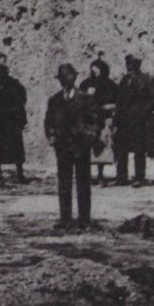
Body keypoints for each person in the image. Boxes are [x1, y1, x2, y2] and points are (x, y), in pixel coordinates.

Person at [45, 62, 101, 229]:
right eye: (62, 78)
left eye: (68, 77)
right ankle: (65, 219)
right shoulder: (54, 100)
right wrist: (52, 136)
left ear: (75, 78)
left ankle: (84, 219)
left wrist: (90, 136)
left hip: (81, 146)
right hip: (62, 147)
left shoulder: (85, 98)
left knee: (83, 183)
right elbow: (48, 122)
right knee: (64, 183)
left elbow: (95, 120)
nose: (65, 81)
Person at [114, 54, 154, 186]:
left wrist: (143, 111)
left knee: (139, 148)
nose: (129, 67)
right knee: (121, 148)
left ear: (138, 65)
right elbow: (119, 100)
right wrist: (117, 118)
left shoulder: (147, 80)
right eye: (127, 64)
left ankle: (139, 177)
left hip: (140, 121)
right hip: (124, 120)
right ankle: (121, 177)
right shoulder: (124, 80)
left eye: (132, 64)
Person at [0, 63, 29, 184]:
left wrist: (20, 119)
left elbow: (22, 99)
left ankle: (20, 173)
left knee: (17, 149)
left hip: (11, 122)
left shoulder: (14, 84)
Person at [81, 56, 120, 184]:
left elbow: (118, 101)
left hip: (104, 119)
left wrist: (110, 106)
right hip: (89, 120)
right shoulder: (86, 84)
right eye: (93, 69)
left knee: (103, 146)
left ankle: (101, 175)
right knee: (88, 147)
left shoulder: (110, 85)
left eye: (97, 69)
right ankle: (87, 175)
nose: (95, 71)